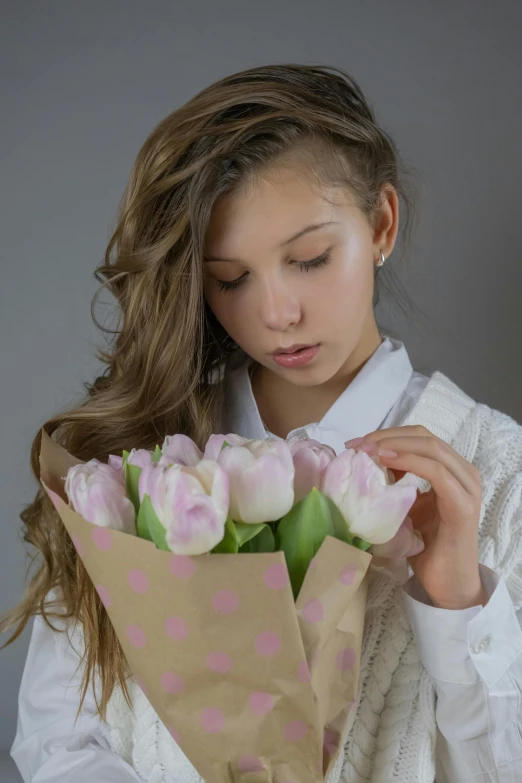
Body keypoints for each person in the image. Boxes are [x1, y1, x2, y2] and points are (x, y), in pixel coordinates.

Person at [2, 63, 522, 783]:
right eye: (231, 279)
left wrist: (458, 604)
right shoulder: (132, 467)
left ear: (381, 224)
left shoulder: (499, 473)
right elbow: (57, 744)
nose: (277, 313)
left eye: (308, 259)